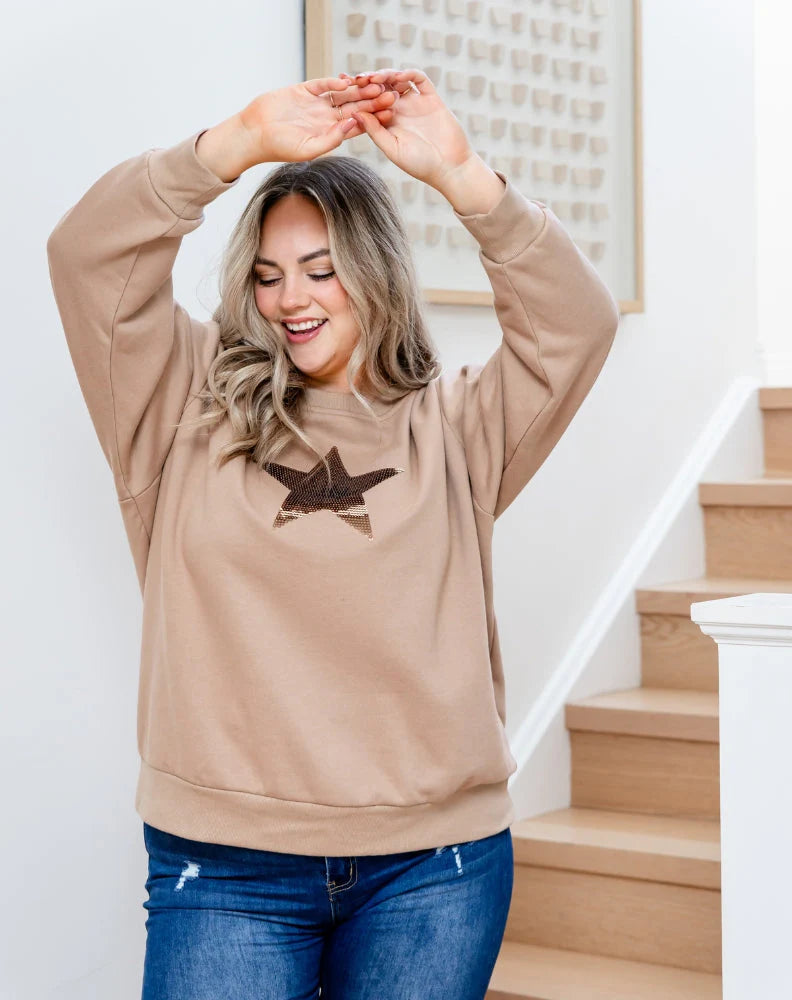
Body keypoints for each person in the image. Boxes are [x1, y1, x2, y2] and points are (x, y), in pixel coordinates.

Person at [46, 69, 620, 999]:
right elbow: (86, 256)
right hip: (225, 867)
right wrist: (235, 144)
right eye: (269, 275)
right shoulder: (180, 402)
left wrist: (463, 176)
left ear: (375, 273)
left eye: (321, 270)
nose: (291, 299)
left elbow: (577, 325)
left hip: (435, 869)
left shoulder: (458, 429)